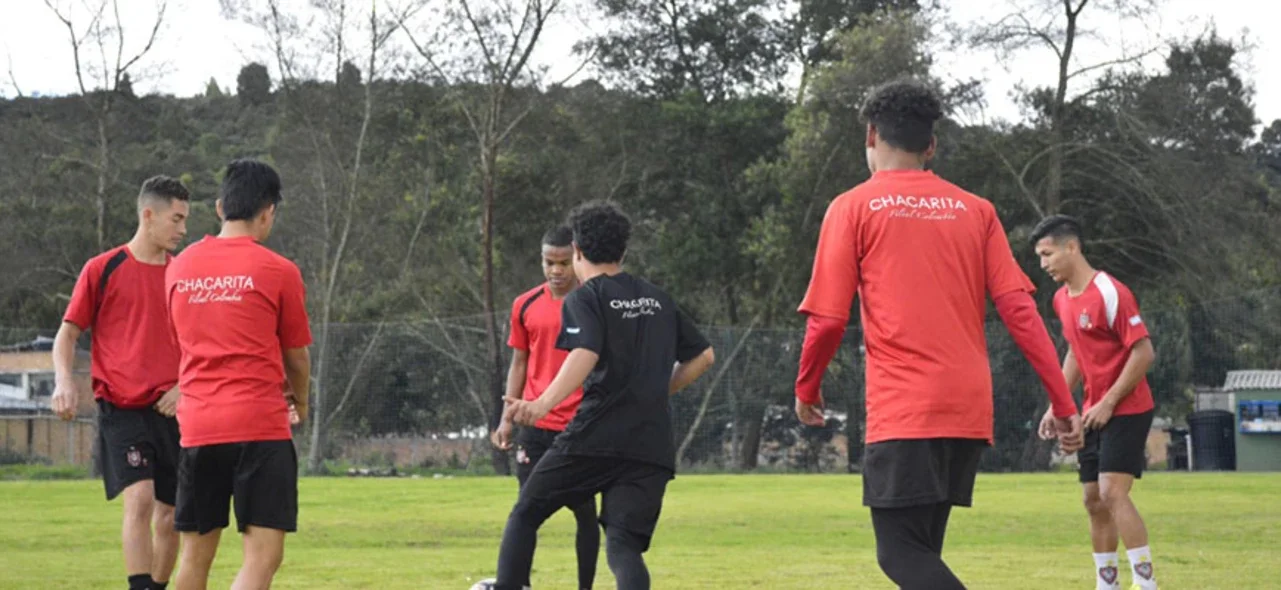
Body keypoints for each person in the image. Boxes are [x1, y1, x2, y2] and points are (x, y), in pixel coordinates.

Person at [792, 78, 1084, 590]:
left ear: (870, 136)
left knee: (900, 555)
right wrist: (1063, 404)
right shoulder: (977, 210)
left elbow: (829, 320)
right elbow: (1020, 311)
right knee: (924, 552)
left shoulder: (852, 207)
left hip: (906, 409)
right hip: (966, 407)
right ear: (931, 146)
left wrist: (807, 390)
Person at [491, 201, 715, 590]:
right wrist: (653, 392)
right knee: (624, 546)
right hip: (650, 443)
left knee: (526, 513)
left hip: (594, 437)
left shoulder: (586, 297)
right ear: (623, 251)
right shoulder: (657, 299)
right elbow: (704, 356)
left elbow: (585, 352)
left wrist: (542, 404)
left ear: (576, 250)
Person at [165, 159, 312, 590]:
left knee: (193, 558)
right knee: (262, 556)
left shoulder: (179, 268)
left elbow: (182, 343)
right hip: (259, 425)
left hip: (198, 427)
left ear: (218, 207)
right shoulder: (279, 270)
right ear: (268, 211)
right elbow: (297, 357)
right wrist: (300, 403)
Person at [51, 175, 191, 590]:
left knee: (171, 515)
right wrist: (64, 381)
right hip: (122, 409)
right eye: (177, 219)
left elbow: (204, 343)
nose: (183, 229)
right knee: (141, 498)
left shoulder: (184, 275)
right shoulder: (103, 268)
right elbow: (67, 333)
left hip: (175, 411)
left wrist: (184, 386)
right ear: (148, 215)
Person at [1030, 214, 1159, 590]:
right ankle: (1107, 583)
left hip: (1128, 408)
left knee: (1111, 493)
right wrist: (1057, 404)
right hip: (1091, 410)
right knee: (1092, 499)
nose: (1044, 264)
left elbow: (1144, 352)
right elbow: (1075, 350)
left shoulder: (1111, 292)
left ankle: (1146, 582)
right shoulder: (1060, 299)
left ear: (1072, 247)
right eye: (1040, 257)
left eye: (1048, 254)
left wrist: (1109, 402)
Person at [490, 225, 600, 590]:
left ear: (577, 260)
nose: (556, 270)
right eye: (549, 262)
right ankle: (518, 583)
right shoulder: (526, 304)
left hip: (580, 426)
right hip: (535, 428)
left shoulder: (593, 302)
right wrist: (507, 417)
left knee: (585, 514)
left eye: (564, 263)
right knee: (526, 511)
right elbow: (519, 362)